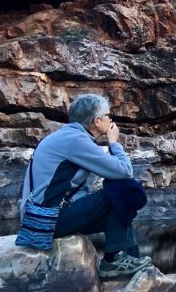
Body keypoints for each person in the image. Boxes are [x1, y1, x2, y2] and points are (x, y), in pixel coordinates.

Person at [20, 94, 153, 279]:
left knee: (119, 205)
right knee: (124, 189)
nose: (111, 119)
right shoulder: (75, 140)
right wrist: (114, 143)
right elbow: (123, 172)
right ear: (97, 121)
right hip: (47, 219)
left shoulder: (69, 136)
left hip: (42, 215)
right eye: (109, 115)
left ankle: (129, 264)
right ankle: (115, 261)